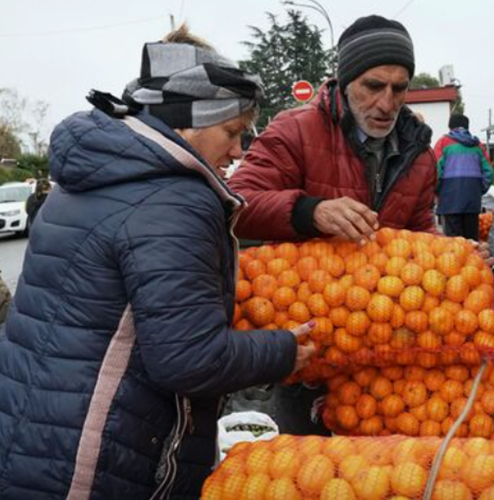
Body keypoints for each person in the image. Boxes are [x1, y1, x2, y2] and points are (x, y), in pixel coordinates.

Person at [0, 26, 314, 499]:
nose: (238, 151)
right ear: (186, 123)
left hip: (29, 431)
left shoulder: (89, 176)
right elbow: (187, 359)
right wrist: (284, 350)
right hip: (94, 456)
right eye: (231, 132)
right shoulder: (174, 199)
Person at [228, 14, 437, 244]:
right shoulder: (294, 131)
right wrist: (309, 212)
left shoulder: (419, 153)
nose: (387, 105)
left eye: (399, 88)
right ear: (346, 84)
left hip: (387, 269)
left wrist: (454, 252)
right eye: (373, 86)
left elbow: (421, 232)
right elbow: (233, 203)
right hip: (305, 268)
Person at [434, 114, 494, 240]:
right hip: (472, 201)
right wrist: (478, 190)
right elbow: (489, 172)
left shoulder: (443, 143)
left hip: (450, 201)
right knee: (472, 242)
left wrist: (438, 192)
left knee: (454, 244)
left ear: (450, 127)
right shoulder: (477, 145)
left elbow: (435, 172)